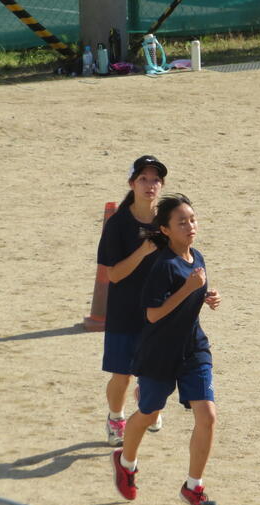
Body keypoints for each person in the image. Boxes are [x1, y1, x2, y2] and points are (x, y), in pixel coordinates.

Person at [111, 193, 221, 505]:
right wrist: (188, 289)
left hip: (193, 349)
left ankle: (193, 486)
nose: (190, 226)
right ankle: (126, 462)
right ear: (165, 230)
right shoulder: (162, 266)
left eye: (192, 220)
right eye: (182, 222)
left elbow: (191, 295)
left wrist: (207, 297)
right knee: (148, 414)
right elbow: (153, 314)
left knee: (208, 416)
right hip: (158, 354)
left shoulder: (197, 257)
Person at [97, 155, 167, 447]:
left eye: (156, 180)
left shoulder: (168, 219)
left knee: (157, 371)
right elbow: (113, 275)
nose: (150, 185)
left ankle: (147, 403)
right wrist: (142, 251)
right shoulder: (118, 224)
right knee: (122, 375)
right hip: (125, 311)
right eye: (143, 179)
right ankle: (116, 418)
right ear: (131, 184)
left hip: (159, 308)